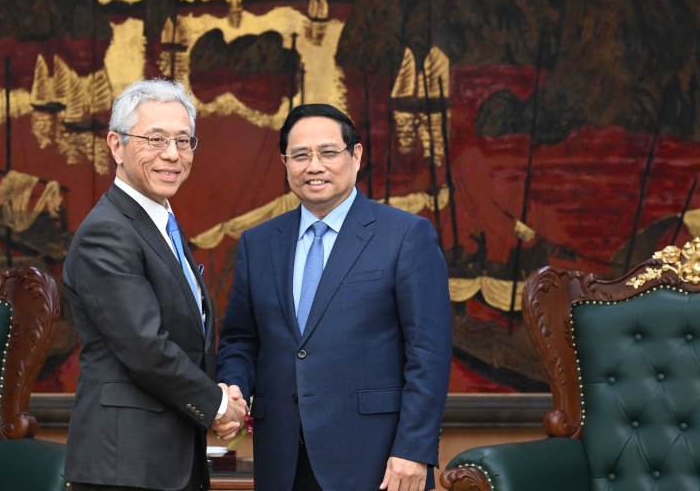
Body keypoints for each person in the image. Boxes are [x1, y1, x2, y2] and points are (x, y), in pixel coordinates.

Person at [215, 104, 452, 491]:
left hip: (377, 461)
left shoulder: (406, 236)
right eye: (300, 155)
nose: (314, 166)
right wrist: (233, 389)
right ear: (285, 163)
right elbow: (241, 339)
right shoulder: (258, 243)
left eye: (328, 152)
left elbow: (429, 352)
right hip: (283, 461)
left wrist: (415, 449)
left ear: (356, 155)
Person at [63, 79, 247, 491]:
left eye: (183, 141)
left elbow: (188, 340)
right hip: (125, 465)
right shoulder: (107, 232)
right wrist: (219, 405)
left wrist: (221, 396)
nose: (172, 154)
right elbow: (146, 347)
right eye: (156, 139)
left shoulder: (160, 223)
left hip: (165, 460)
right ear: (116, 145)